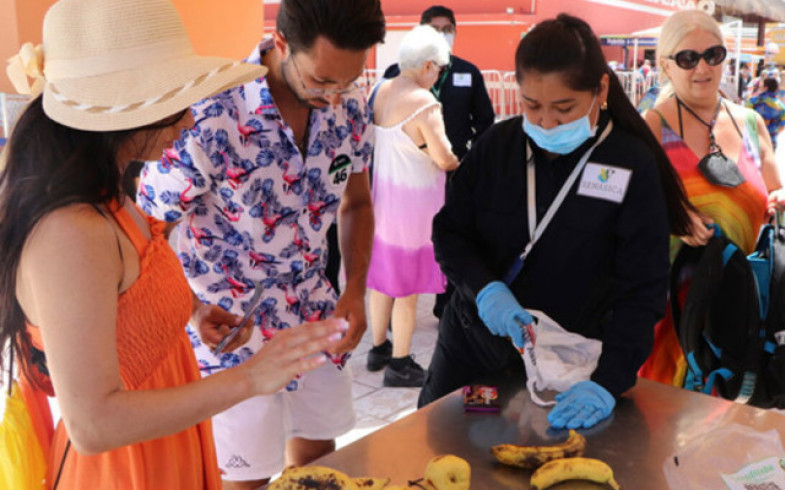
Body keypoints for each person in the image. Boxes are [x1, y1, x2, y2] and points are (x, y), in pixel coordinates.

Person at [0, 0, 348, 488]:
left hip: (170, 443)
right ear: (125, 113)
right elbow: (94, 424)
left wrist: (191, 312)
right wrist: (249, 378)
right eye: (176, 105)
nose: (187, 124)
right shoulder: (69, 232)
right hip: (125, 469)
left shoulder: (112, 196)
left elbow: (127, 298)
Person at [136, 0, 384, 487]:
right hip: (230, 332)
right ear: (282, 44)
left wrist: (355, 289)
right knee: (245, 478)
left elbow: (356, 204)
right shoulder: (209, 115)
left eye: (347, 82)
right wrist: (190, 307)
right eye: (320, 81)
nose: (335, 98)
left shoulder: (350, 107)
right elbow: (146, 227)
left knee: (319, 465)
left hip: (315, 316)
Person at [418, 14, 694, 430]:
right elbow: (451, 232)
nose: (546, 122)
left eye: (563, 108)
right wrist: (485, 289)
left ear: (600, 90)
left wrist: (607, 381)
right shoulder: (498, 146)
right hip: (476, 351)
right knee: (461, 443)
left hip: (567, 366)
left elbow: (643, 289)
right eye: (532, 106)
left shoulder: (627, 162)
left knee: (540, 456)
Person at [638, 9, 785, 386]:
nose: (702, 68)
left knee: (723, 416)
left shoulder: (750, 123)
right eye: (687, 58)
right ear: (666, 65)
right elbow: (624, 211)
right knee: (664, 418)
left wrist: (784, 202)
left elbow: (773, 189)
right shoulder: (650, 128)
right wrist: (674, 218)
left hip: (739, 307)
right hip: (667, 311)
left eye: (713, 55)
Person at [382, 5, 496, 322]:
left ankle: (446, 304)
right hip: (406, 174)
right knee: (403, 240)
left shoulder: (468, 72)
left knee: (450, 237)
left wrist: (469, 158)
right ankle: (393, 305)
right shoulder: (395, 74)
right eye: (435, 28)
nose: (443, 34)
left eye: (448, 28)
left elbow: (485, 120)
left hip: (452, 171)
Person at [366, 25, 459, 387]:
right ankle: (401, 363)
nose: (438, 75)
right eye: (439, 68)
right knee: (406, 290)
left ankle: (378, 349)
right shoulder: (425, 102)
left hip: (383, 201)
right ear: (427, 66)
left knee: (383, 281)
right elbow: (445, 157)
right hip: (414, 207)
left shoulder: (380, 91)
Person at [748, 78, 785, 150]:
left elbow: (744, 118)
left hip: (753, 139)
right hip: (771, 140)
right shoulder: (781, 107)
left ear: (765, 88)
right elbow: (782, 127)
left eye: (761, 86)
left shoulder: (752, 101)